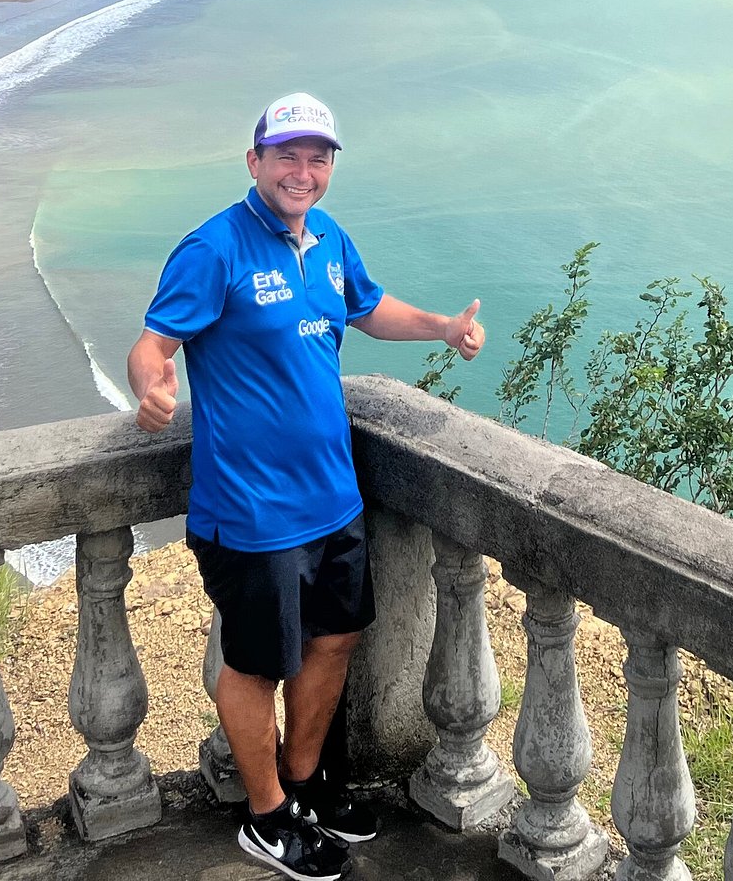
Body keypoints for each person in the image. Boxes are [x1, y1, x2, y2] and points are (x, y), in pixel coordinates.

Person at [129, 92, 486, 878]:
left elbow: (366, 305)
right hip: (249, 511)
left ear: (330, 167)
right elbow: (155, 344)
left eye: (317, 156)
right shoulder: (212, 249)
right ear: (254, 162)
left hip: (334, 498)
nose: (302, 169)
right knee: (255, 664)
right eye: (286, 154)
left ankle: (306, 786)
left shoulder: (326, 238)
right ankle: (266, 817)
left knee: (334, 640)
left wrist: (440, 326)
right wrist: (152, 388)